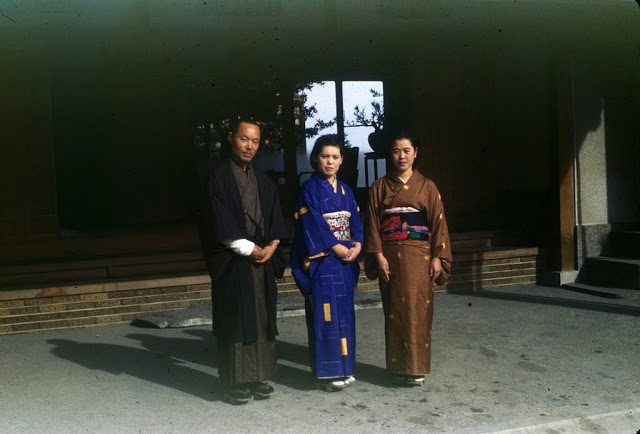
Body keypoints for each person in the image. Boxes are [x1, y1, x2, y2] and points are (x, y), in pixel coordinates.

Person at [200, 118, 288, 404]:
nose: (249, 146)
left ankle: (260, 376)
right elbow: (218, 220)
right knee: (236, 317)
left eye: (255, 141)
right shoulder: (217, 178)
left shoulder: (263, 180)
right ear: (230, 138)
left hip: (262, 258)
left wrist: (272, 246)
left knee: (261, 317)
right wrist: (247, 248)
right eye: (244, 139)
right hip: (234, 259)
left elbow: (275, 217)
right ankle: (235, 381)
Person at [364, 130, 452, 386]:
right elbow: (372, 223)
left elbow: (438, 223)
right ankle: (397, 367)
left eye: (406, 150)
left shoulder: (428, 186)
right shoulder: (379, 187)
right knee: (394, 310)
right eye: (396, 151)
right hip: (389, 256)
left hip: (419, 256)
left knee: (418, 309)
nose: (401, 156)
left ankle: (416, 367)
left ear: (415, 153)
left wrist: (438, 256)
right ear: (390, 155)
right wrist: (378, 255)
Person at [291, 134, 363, 392]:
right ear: (315, 159)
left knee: (344, 315)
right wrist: (336, 246)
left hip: (344, 263)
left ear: (342, 160)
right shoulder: (308, 190)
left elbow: (356, 221)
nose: (330, 162)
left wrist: (357, 245)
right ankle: (326, 373)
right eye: (325, 156)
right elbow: (311, 225)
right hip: (322, 262)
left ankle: (345, 368)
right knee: (326, 316)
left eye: (335, 157)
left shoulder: (346, 191)